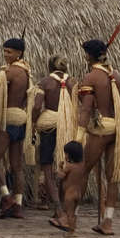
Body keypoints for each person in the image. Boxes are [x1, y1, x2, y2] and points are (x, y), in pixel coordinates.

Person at [54, 38, 120, 235]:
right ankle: (108, 222)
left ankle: (71, 218)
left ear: (88, 55)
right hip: (118, 127)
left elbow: (87, 109)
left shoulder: (92, 77)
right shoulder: (116, 75)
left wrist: (79, 135)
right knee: (113, 176)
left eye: (85, 53)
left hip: (101, 127)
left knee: (82, 170)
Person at [0, 36, 33, 219]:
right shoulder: (26, 71)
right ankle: (18, 206)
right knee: (17, 166)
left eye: (9, 52)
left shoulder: (10, 72)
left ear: (19, 53)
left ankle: (7, 198)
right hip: (21, 119)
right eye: (4, 51)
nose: (6, 55)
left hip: (8, 119)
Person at [32, 54, 76, 217]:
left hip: (49, 127)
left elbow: (37, 106)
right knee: (66, 164)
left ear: (50, 67)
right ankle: (67, 206)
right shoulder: (73, 82)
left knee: (47, 165)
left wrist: (33, 122)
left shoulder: (45, 82)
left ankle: (57, 207)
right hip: (68, 126)